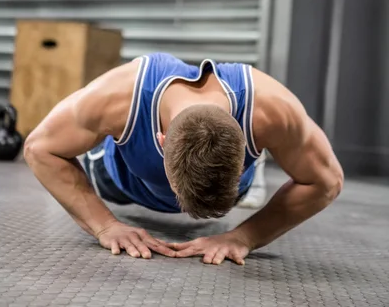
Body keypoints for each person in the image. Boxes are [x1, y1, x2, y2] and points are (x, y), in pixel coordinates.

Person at [24, 52, 343, 266]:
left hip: (231, 188)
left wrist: (244, 236)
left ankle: (247, 179)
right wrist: (104, 226)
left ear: (247, 140)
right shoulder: (118, 96)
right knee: (76, 150)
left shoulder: (271, 110)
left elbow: (327, 181)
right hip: (123, 180)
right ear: (161, 141)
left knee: (274, 175)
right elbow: (39, 148)